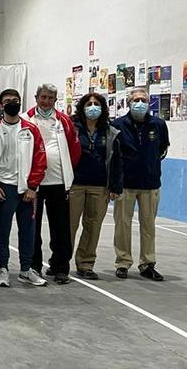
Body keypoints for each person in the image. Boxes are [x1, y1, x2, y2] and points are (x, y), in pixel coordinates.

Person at [0, 89, 48, 288]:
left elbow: (40, 161)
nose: (12, 103)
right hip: (3, 188)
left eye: (15, 100)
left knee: (28, 231)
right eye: (7, 101)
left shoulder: (31, 129)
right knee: (2, 230)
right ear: (1, 105)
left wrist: (32, 187)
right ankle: (3, 269)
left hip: (26, 190)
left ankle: (25, 270)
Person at [111, 87, 169, 281]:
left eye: (143, 100)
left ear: (148, 102)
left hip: (150, 184)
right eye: (136, 100)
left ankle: (147, 263)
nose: (140, 103)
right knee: (122, 225)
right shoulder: (118, 125)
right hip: (125, 185)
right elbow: (113, 155)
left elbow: (162, 149)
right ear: (129, 102)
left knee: (148, 226)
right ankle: (122, 262)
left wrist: (150, 165)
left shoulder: (159, 125)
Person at [26, 83, 81, 285]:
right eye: (43, 97)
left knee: (61, 228)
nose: (46, 101)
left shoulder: (64, 121)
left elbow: (74, 149)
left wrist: (68, 173)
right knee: (33, 227)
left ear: (55, 100)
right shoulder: (26, 119)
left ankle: (60, 268)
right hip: (34, 184)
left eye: (50, 98)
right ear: (36, 97)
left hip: (59, 182)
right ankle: (34, 266)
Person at [70, 93, 123, 280]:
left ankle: (85, 263)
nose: (93, 107)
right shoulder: (71, 127)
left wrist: (115, 187)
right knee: (69, 225)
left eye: (97, 104)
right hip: (74, 185)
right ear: (82, 107)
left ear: (103, 108)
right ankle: (60, 262)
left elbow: (116, 160)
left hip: (99, 186)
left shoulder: (110, 131)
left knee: (93, 227)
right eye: (89, 104)